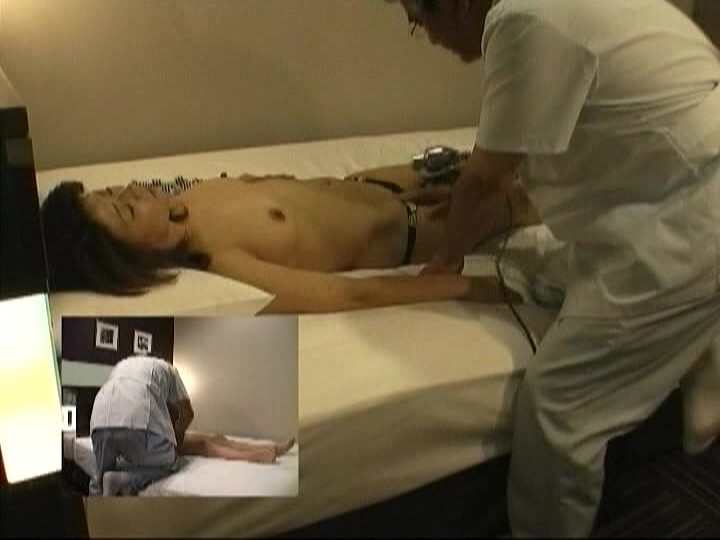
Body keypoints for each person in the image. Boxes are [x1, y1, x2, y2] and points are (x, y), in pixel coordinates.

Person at [387, 0, 720, 536]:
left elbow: (485, 182)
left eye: (420, 19)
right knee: (538, 274)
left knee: (557, 407)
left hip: (690, 218)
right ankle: (703, 347)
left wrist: (444, 260)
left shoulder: (522, 19)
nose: (425, 36)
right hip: (668, 183)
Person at [40, 163, 539, 314]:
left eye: (111, 190)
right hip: (419, 232)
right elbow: (348, 294)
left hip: (397, 191)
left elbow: (305, 189)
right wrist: (459, 286)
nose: (130, 190)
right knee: (551, 192)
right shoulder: (221, 260)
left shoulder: (195, 194)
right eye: (125, 208)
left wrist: (407, 181)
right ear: (134, 255)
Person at [89, 355, 294, 496]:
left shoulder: (123, 367)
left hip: (99, 418)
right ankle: (122, 480)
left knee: (213, 438)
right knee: (194, 451)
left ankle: (271, 448)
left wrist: (174, 432)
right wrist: (177, 437)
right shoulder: (168, 370)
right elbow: (188, 414)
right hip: (140, 420)